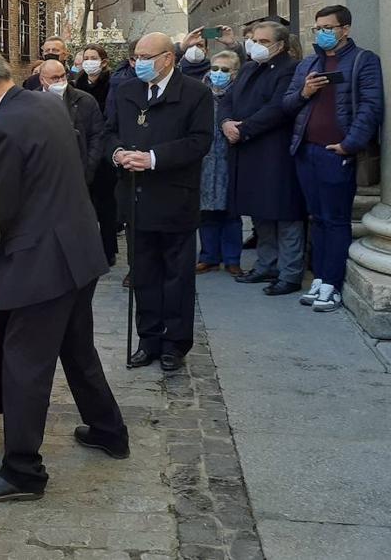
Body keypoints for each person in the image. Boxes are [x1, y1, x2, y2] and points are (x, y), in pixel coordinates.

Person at [0, 49, 128, 502]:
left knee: (25, 366)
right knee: (77, 348)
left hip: (42, 263)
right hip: (78, 250)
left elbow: (1, 204)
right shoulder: (47, 104)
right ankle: (109, 429)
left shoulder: (1, 126)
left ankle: (22, 471)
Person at [105, 33, 213, 371]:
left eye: (146, 56)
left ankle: (175, 343)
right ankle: (148, 339)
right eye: (136, 56)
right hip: (136, 198)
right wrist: (118, 152)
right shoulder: (126, 91)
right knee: (143, 274)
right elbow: (109, 131)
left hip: (174, 198)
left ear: (167, 58)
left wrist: (153, 158)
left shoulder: (196, 93)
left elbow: (199, 142)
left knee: (176, 277)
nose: (139, 63)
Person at [284, 5, 383, 313]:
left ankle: (332, 284)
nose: (322, 33)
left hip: (336, 152)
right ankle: (320, 278)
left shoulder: (363, 61)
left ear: (345, 29)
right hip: (306, 150)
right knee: (317, 218)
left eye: (328, 27)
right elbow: (287, 104)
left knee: (336, 218)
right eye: (318, 28)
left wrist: (349, 144)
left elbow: (370, 106)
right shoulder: (308, 64)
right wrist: (305, 91)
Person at [223, 22, 306, 292]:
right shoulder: (249, 68)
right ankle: (266, 265)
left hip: (274, 152)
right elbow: (227, 98)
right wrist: (225, 122)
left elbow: (278, 108)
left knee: (284, 213)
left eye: (262, 41)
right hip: (247, 151)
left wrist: (243, 129)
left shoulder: (289, 69)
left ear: (279, 45)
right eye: (253, 40)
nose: (254, 45)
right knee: (260, 213)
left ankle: (289, 273)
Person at [197, 51, 243, 276]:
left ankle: (232, 258)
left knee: (231, 214)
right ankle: (208, 257)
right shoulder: (200, 93)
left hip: (230, 159)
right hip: (205, 161)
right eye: (215, 68)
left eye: (225, 70)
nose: (218, 74)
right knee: (205, 213)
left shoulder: (239, 94)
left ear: (234, 73)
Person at [75, 45, 119, 265]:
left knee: (105, 206)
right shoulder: (77, 85)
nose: (89, 61)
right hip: (82, 150)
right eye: (86, 58)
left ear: (103, 61)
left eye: (94, 58)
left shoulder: (112, 84)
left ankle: (108, 249)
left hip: (104, 153)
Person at [40, 60, 103, 183]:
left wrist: (88, 167)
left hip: (78, 174)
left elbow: (97, 136)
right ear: (42, 80)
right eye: (54, 78)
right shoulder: (32, 102)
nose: (60, 81)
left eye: (63, 76)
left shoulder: (85, 101)